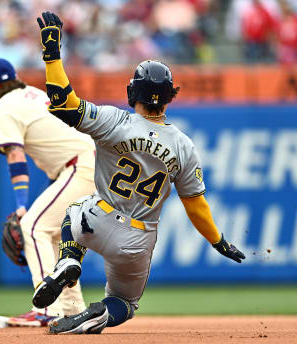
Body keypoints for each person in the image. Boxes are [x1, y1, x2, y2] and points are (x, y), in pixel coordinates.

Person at [32, 12, 246, 334]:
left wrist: (52, 55)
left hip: (98, 217)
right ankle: (96, 316)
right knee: (124, 303)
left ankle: (69, 259)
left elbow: (63, 103)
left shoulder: (114, 121)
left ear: (134, 92)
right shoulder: (184, 146)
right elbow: (195, 204)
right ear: (170, 95)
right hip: (138, 238)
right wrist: (218, 241)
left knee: (73, 212)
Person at [0, 57, 95, 327]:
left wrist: (22, 206)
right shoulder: (34, 94)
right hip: (93, 162)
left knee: (33, 226)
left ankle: (48, 308)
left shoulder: (1, 108)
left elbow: (16, 155)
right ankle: (70, 309)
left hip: (81, 164)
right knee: (52, 231)